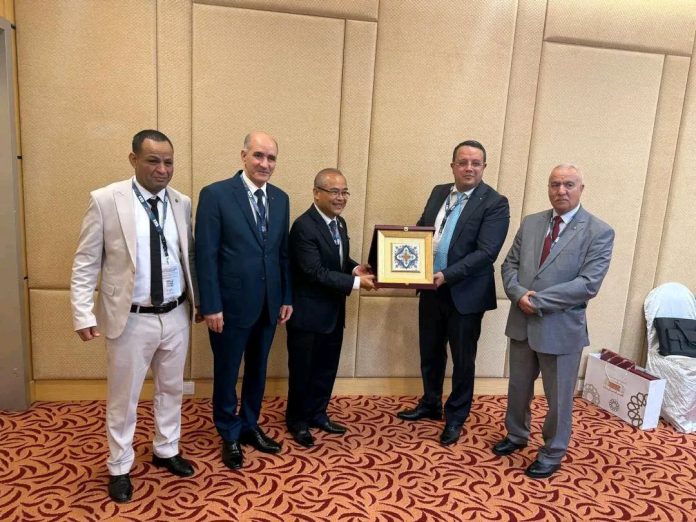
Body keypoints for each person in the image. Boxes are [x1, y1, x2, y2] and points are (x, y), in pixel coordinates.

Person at [71, 130, 198, 503]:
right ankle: (119, 466)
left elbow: (187, 257)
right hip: (130, 318)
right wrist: (82, 312)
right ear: (133, 160)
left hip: (175, 313)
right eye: (153, 160)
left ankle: (166, 448)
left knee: (171, 389)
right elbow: (86, 261)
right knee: (123, 397)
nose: (162, 169)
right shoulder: (106, 200)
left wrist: (199, 303)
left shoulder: (182, 202)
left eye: (169, 162)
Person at [493, 164, 614, 479]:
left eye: (569, 185)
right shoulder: (532, 223)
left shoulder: (599, 231)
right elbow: (509, 265)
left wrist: (536, 302)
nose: (561, 191)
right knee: (518, 387)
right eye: (555, 184)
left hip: (561, 330)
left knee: (558, 398)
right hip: (522, 323)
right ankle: (516, 435)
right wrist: (518, 294)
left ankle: (552, 452)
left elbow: (588, 284)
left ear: (581, 189)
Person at [397, 140, 510, 446]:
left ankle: (456, 417)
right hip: (430, 289)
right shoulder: (439, 192)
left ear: (484, 167)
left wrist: (446, 275)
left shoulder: (495, 203)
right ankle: (431, 402)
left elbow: (486, 253)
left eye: (476, 163)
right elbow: (422, 230)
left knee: (463, 360)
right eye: (463, 162)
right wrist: (396, 258)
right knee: (430, 352)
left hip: (465, 293)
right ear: (453, 166)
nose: (469, 168)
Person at [195, 131, 292, 470]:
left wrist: (286, 296)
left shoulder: (281, 199)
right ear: (243, 156)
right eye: (258, 156)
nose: (265, 163)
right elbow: (205, 254)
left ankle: (250, 424)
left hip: (269, 304)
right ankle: (229, 432)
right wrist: (211, 304)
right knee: (226, 371)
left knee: (258, 369)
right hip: (229, 306)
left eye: (271, 158)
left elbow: (282, 254)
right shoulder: (216, 194)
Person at [285, 168, 375, 448]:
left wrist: (355, 268)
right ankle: (298, 421)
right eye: (334, 191)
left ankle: (318, 413)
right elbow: (314, 271)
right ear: (316, 193)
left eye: (345, 192)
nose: (341, 198)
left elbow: (337, 260)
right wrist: (356, 283)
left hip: (334, 313)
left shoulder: (340, 223)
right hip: (308, 315)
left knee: (326, 368)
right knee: (303, 372)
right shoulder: (303, 226)